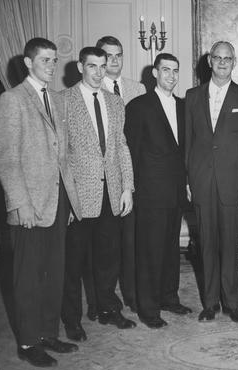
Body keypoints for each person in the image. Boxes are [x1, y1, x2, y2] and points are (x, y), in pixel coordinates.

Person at [0, 37, 82, 367]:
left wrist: (70, 202)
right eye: (45, 60)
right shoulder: (13, 100)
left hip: (57, 202)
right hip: (29, 205)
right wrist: (20, 204)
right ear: (28, 63)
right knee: (28, 275)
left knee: (54, 272)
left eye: (54, 60)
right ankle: (29, 342)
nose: (51, 66)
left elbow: (63, 155)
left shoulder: (55, 100)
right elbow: (5, 159)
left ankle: (48, 333)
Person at [61, 46, 136, 342]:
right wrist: (66, 198)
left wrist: (128, 186)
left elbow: (121, 146)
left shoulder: (116, 102)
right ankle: (72, 319)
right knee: (74, 260)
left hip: (111, 190)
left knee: (108, 256)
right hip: (79, 194)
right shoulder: (64, 100)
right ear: (81, 67)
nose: (98, 72)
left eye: (102, 66)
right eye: (92, 66)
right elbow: (62, 154)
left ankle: (106, 308)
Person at [185, 41, 238, 323]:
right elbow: (189, 143)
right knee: (206, 245)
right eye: (217, 57)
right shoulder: (192, 96)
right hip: (202, 183)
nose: (221, 62)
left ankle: (232, 303)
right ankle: (209, 303)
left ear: (234, 62)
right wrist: (188, 181)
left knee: (231, 246)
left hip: (234, 185)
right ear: (209, 61)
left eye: (227, 58)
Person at [125, 53, 191, 329]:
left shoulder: (183, 106)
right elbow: (131, 151)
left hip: (176, 192)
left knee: (169, 248)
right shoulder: (139, 106)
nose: (172, 76)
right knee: (149, 251)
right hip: (150, 192)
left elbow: (185, 151)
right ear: (154, 73)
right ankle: (148, 308)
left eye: (175, 71)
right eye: (166, 70)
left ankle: (168, 297)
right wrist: (133, 189)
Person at [96, 35, 146, 314]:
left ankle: (131, 294)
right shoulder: (90, 87)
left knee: (131, 241)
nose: (114, 61)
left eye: (118, 55)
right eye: (108, 56)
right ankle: (102, 300)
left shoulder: (136, 88)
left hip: (132, 174)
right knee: (104, 243)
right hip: (103, 177)